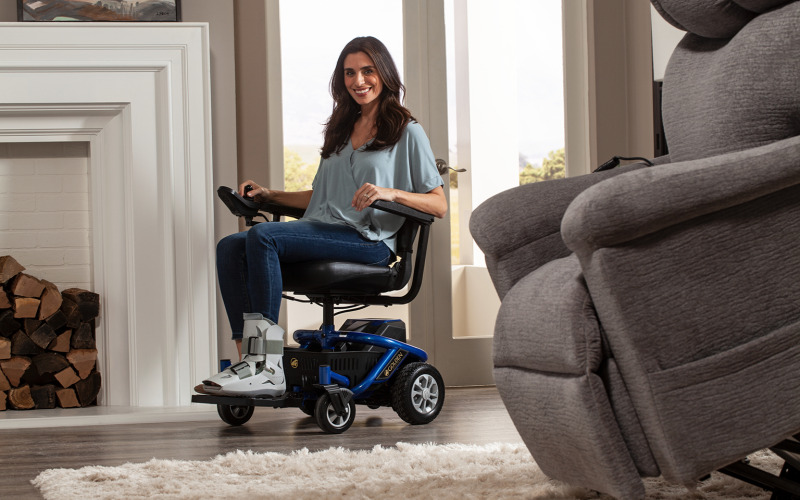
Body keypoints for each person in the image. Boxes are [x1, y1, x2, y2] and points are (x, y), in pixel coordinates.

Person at [197, 36, 447, 396]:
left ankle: (267, 367)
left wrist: (388, 191)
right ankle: (249, 363)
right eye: (349, 73)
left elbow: (437, 204)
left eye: (367, 71)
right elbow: (319, 198)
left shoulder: (407, 131)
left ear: (384, 74)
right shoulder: (341, 128)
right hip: (325, 230)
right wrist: (268, 195)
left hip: (368, 241)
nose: (358, 81)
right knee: (229, 246)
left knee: (261, 236)